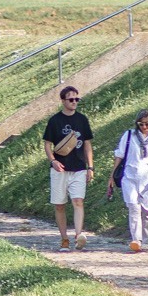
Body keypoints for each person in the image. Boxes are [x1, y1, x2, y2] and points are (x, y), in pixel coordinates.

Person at [107, 109, 148, 253]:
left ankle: (146, 240)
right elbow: (120, 155)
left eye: (147, 124)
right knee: (134, 207)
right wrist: (112, 175)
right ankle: (136, 239)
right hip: (130, 176)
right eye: (141, 124)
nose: (144, 127)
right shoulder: (129, 136)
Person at [43, 86, 94, 251]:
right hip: (60, 169)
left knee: (78, 201)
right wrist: (53, 161)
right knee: (59, 205)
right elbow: (47, 144)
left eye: (77, 99)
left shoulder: (82, 120)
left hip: (79, 167)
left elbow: (87, 145)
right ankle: (64, 239)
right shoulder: (55, 121)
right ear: (63, 101)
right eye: (71, 99)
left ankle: (79, 236)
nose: (74, 102)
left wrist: (90, 167)